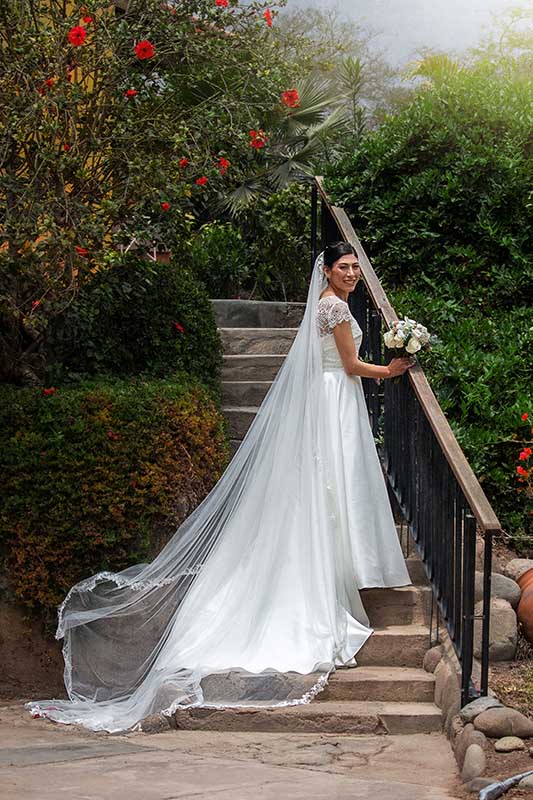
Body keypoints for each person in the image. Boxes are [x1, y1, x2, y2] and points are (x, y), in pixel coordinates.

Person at [26, 242, 415, 733]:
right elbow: (352, 365)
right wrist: (393, 370)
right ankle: (328, 578)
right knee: (335, 485)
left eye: (357, 268)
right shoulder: (335, 308)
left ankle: (329, 569)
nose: (353, 275)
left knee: (324, 488)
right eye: (344, 267)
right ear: (328, 272)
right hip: (336, 396)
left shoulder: (322, 305)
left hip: (327, 397)